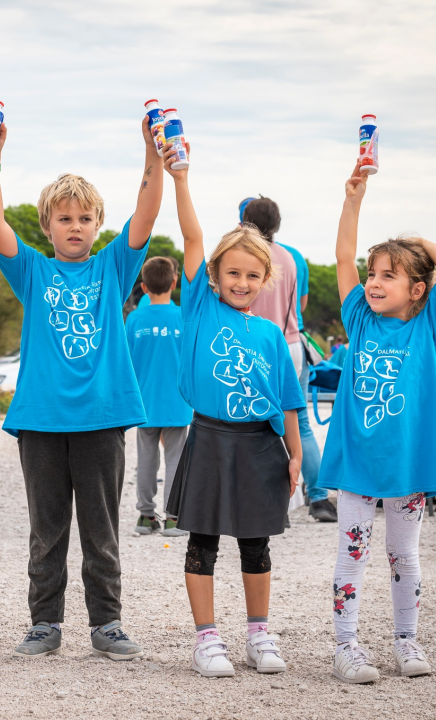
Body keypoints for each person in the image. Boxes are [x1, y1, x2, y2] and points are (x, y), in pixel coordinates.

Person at [0, 108, 163, 661]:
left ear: (97, 224)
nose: (74, 226)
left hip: (101, 418)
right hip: (41, 419)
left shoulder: (112, 268)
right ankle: (43, 623)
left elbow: (146, 217)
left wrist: (152, 154)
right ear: (47, 226)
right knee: (47, 530)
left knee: (101, 531)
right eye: (64, 218)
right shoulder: (32, 269)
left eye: (84, 218)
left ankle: (107, 623)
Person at [320, 159, 436, 683]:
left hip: (410, 461)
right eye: (372, 274)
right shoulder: (358, 316)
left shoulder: (431, 327)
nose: (374, 283)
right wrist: (353, 200)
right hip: (359, 459)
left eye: (388, 275)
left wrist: (415, 242)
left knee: (404, 554)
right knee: (352, 554)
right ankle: (346, 647)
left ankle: (407, 641)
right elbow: (341, 256)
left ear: (417, 289)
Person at [166, 151, 303, 678]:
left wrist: (294, 455)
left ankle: (259, 634)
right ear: (215, 277)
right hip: (210, 437)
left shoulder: (270, 336)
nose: (241, 282)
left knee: (255, 543)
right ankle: (206, 639)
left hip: (260, 445)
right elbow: (194, 238)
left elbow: (288, 400)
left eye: (251, 274)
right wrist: (181, 178)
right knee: (202, 541)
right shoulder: (198, 307)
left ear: (265, 277)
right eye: (231, 273)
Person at [241, 197, 335, 522]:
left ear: (245, 222)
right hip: (294, 344)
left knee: (253, 420)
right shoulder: (291, 257)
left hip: (258, 346)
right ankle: (320, 497)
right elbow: (302, 305)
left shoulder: (244, 256)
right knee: (302, 423)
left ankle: (257, 495)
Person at [126, 257, 193, 537]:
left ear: (143, 286)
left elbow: (126, 361)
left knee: (146, 459)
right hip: (178, 402)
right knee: (176, 460)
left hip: (144, 403)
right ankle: (173, 518)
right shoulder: (183, 318)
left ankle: (145, 516)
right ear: (174, 283)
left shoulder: (134, 319)